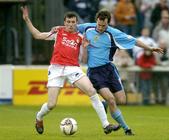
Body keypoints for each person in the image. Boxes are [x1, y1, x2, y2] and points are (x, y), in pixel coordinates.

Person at [21, 6, 120, 135]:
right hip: (56, 69)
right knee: (51, 105)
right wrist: (27, 19)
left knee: (91, 91)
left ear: (76, 23)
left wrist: (85, 48)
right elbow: (37, 35)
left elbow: (84, 58)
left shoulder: (80, 37)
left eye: (73, 22)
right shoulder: (58, 32)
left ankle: (106, 125)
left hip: (73, 68)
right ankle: (39, 118)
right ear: (64, 22)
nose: (70, 25)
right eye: (68, 22)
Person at [76, 9, 163, 135]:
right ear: (96, 21)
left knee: (122, 100)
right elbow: (71, 27)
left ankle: (103, 103)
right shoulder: (87, 28)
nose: (100, 28)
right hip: (95, 73)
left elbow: (134, 40)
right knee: (112, 99)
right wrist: (57, 29)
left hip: (110, 69)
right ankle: (127, 129)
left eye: (104, 25)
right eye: (99, 25)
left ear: (108, 23)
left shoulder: (114, 33)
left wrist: (150, 47)